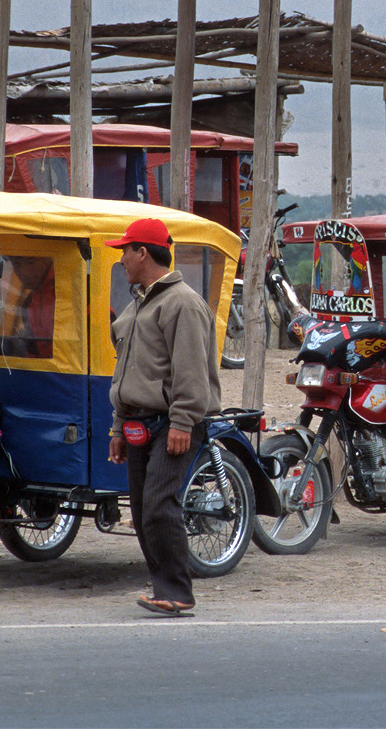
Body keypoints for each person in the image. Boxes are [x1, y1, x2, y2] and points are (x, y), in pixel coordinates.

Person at [105, 217, 222, 617]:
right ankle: (163, 587)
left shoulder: (183, 303)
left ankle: (177, 591)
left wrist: (183, 422)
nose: (121, 259)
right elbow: (125, 373)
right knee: (142, 510)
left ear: (142, 252)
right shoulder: (137, 304)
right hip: (138, 423)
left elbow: (190, 370)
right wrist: (118, 427)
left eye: (125, 250)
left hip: (172, 423)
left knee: (158, 504)